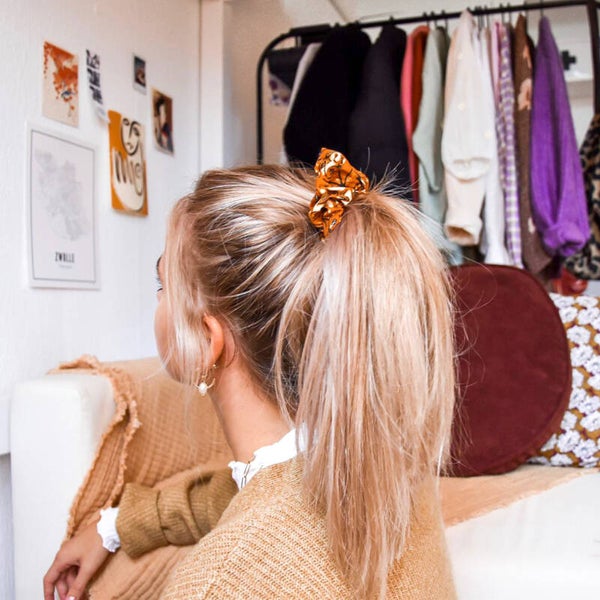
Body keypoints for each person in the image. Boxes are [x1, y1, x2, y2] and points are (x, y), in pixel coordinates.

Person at [45, 148, 456, 599]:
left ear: (207, 342)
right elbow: (231, 496)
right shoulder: (383, 466)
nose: (159, 302)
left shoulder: (218, 583)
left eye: (164, 286)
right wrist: (114, 525)